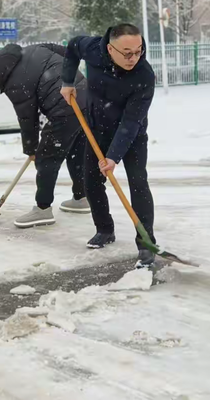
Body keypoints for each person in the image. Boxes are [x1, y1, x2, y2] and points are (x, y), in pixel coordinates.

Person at [60, 24, 156, 268]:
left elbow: (132, 120)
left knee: (138, 184)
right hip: (96, 128)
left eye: (138, 51)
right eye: (126, 52)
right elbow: (71, 47)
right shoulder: (92, 49)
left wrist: (113, 157)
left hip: (131, 134)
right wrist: (67, 81)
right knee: (90, 181)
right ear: (109, 48)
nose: (133, 58)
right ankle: (104, 230)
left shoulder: (144, 75)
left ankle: (146, 244)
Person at [0, 43, 89, 228]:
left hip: (64, 107)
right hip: (85, 96)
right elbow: (65, 52)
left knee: (46, 158)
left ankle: (42, 209)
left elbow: (27, 117)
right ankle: (81, 197)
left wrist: (31, 149)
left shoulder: (12, 81)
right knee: (75, 152)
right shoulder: (32, 49)